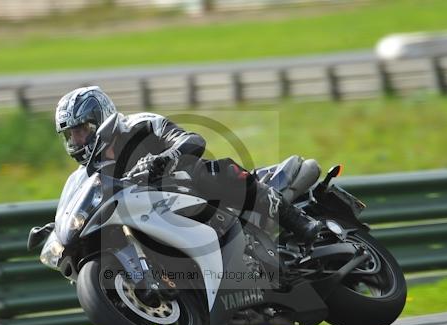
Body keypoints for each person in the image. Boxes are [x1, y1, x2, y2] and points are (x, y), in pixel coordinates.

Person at [54, 86, 322, 244]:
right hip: (158, 215)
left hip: (192, 189)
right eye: (71, 135)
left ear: (100, 118)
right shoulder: (90, 173)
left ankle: (299, 222)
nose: (77, 140)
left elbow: (193, 139)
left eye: (81, 130)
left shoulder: (140, 125)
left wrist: (164, 158)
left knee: (210, 170)